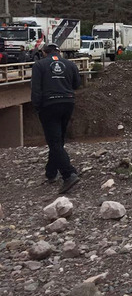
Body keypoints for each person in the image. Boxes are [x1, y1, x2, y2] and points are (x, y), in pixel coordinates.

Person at [31, 43, 81, 194]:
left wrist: (37, 107)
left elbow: (36, 89)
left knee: (54, 141)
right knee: (58, 140)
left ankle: (68, 173)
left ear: (44, 52)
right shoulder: (70, 64)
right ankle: (51, 172)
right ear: (59, 52)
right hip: (67, 103)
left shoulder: (39, 65)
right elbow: (77, 84)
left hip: (49, 105)